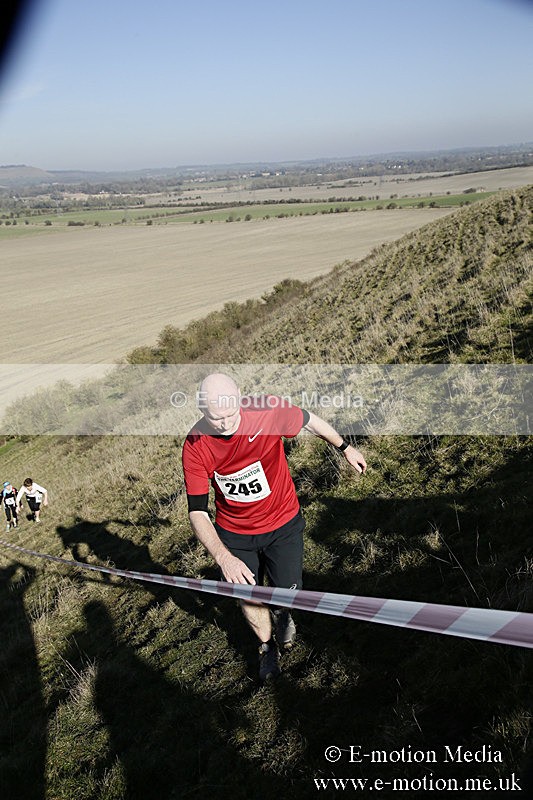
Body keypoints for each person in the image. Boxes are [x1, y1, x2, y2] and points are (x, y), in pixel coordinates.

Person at [182, 373, 366, 682]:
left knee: (288, 590)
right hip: (235, 533)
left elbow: (308, 420)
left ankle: (284, 613)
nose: (226, 424)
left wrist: (345, 447)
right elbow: (197, 511)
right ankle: (266, 648)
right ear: (202, 410)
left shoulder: (265, 411)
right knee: (249, 597)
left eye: (231, 414)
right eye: (216, 418)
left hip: (283, 523)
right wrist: (223, 557)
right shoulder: (196, 445)